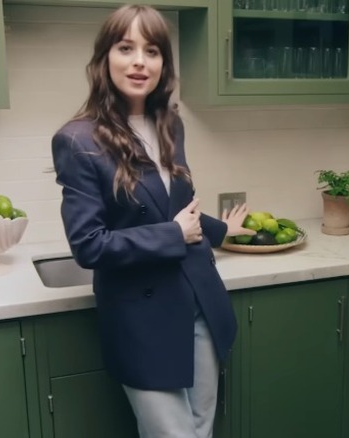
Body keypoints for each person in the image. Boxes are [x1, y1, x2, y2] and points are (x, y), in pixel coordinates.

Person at [51, 5, 256, 437]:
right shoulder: (78, 139)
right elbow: (89, 245)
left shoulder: (170, 124)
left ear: (165, 62)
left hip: (198, 299)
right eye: (126, 48)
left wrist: (220, 230)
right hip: (141, 318)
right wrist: (174, 234)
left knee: (201, 429)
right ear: (105, 57)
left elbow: (176, 207)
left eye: (153, 50)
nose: (140, 61)